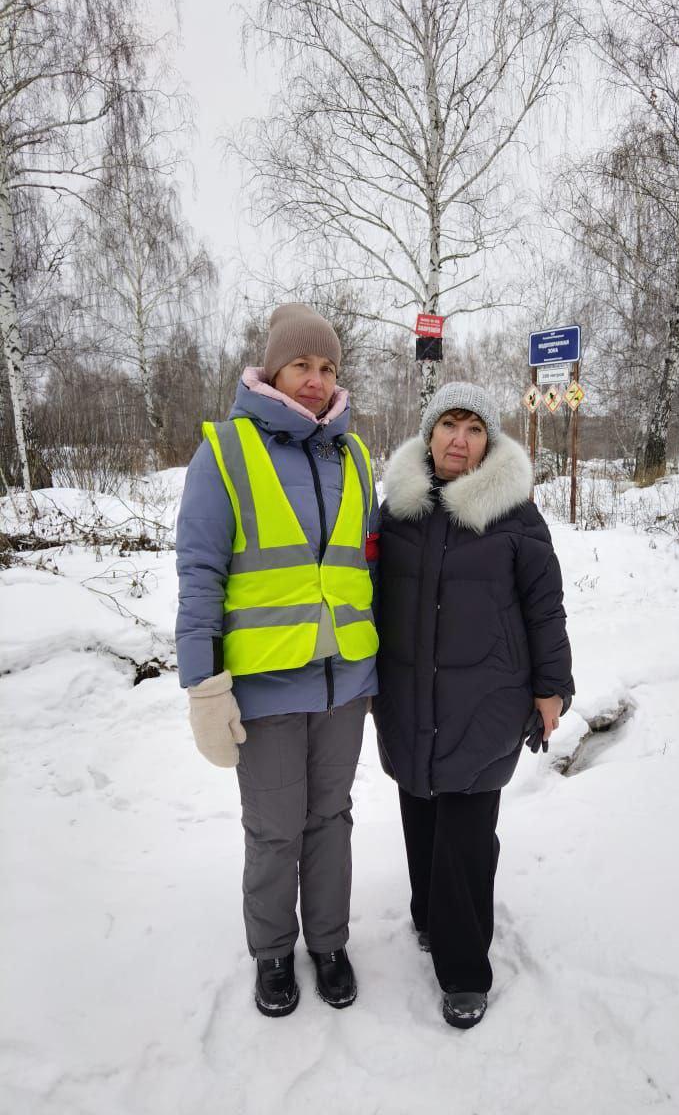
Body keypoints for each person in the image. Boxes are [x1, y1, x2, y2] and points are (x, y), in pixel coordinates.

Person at [175, 303, 379, 1017]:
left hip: (344, 685)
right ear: (273, 368)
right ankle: (271, 952)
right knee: (273, 829)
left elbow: (366, 570)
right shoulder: (226, 450)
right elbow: (201, 572)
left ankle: (328, 942)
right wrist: (203, 686)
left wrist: (380, 675)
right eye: (303, 365)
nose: (317, 380)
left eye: (328, 368)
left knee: (333, 819)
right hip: (265, 689)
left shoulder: (354, 455)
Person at [373, 382, 573, 1029]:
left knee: (464, 829)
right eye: (449, 426)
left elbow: (545, 608)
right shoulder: (394, 511)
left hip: (487, 696)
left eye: (475, 429)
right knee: (419, 804)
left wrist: (552, 688)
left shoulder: (515, 515)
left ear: (490, 441)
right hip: (407, 691)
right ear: (428, 434)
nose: (460, 440)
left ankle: (464, 970)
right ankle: (429, 918)